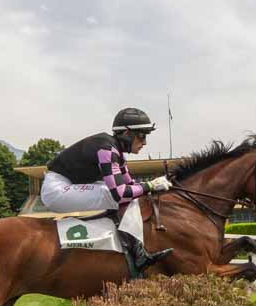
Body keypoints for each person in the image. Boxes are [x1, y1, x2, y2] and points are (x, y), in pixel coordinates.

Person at [41, 107, 173, 271]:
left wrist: (155, 187)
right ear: (126, 133)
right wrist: (151, 185)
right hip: (56, 189)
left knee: (129, 195)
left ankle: (131, 245)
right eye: (142, 135)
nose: (144, 142)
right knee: (118, 196)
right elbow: (121, 194)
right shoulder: (106, 149)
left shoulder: (116, 152)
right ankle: (138, 254)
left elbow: (131, 184)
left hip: (68, 183)